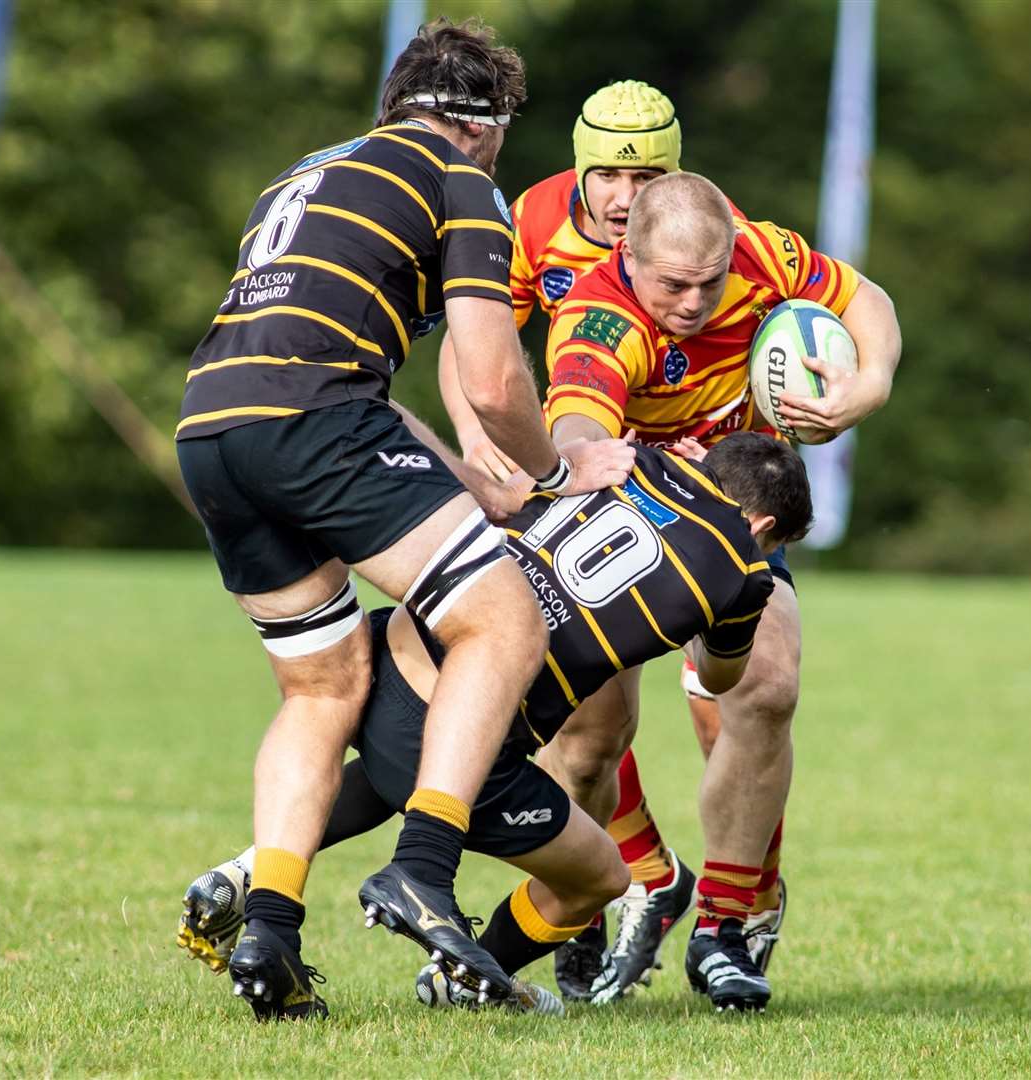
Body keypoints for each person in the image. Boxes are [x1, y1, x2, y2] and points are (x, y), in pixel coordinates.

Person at [174, 18, 634, 1021]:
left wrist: (485, 487)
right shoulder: (460, 179)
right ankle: (422, 869)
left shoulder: (306, 174)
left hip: (212, 427)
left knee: (321, 688)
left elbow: (366, 388)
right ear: (484, 126)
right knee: (502, 619)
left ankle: (271, 933)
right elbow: (491, 374)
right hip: (313, 420)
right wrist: (559, 470)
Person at [178, 432, 815, 1015]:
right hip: (466, 712)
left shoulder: (616, 459)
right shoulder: (746, 571)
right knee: (602, 877)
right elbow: (720, 676)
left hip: (392, 644)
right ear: (762, 525)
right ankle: (465, 981)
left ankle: (248, 878)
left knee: (391, 770)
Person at [542, 171, 902, 1009]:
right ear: (627, 255)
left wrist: (869, 384)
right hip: (620, 525)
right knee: (590, 742)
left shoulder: (760, 253)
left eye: (710, 281)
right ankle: (600, 898)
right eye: (673, 284)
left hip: (735, 524)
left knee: (766, 689)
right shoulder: (598, 317)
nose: (695, 301)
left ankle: (726, 926)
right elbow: (577, 430)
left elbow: (869, 300)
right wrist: (647, 470)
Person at [437, 80, 721, 1001]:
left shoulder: (704, 235)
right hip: (567, 477)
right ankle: (607, 893)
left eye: (647, 176)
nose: (625, 196)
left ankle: (654, 890)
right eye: (607, 172)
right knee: (575, 722)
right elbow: (469, 336)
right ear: (579, 167)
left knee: (606, 730)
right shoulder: (531, 217)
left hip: (666, 490)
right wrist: (480, 436)